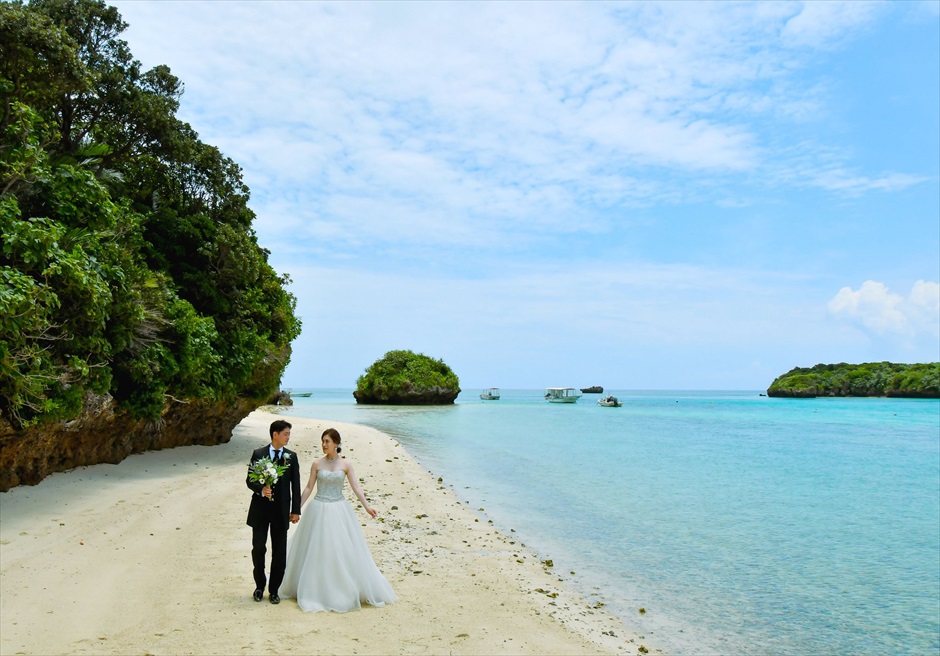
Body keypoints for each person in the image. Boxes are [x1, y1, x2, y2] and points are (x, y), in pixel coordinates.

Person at [280, 427, 397, 612]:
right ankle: (314, 587)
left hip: (340, 509)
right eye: (323, 441)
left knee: (341, 549)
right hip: (318, 509)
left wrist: (367, 506)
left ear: (336, 443)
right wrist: (296, 509)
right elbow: (309, 487)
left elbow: (356, 487)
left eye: (327, 441)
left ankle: (341, 588)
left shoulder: (346, 464)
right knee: (316, 549)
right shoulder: (317, 463)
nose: (324, 445)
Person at [246, 419, 301, 605]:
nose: (288, 437)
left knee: (279, 552)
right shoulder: (258, 454)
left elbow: (296, 485)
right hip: (260, 510)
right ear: (275, 434)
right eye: (286, 434)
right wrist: (261, 490)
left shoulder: (291, 457)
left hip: (281, 512)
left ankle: (274, 590)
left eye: (289, 434)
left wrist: (295, 511)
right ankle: (259, 586)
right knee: (258, 549)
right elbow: (249, 480)